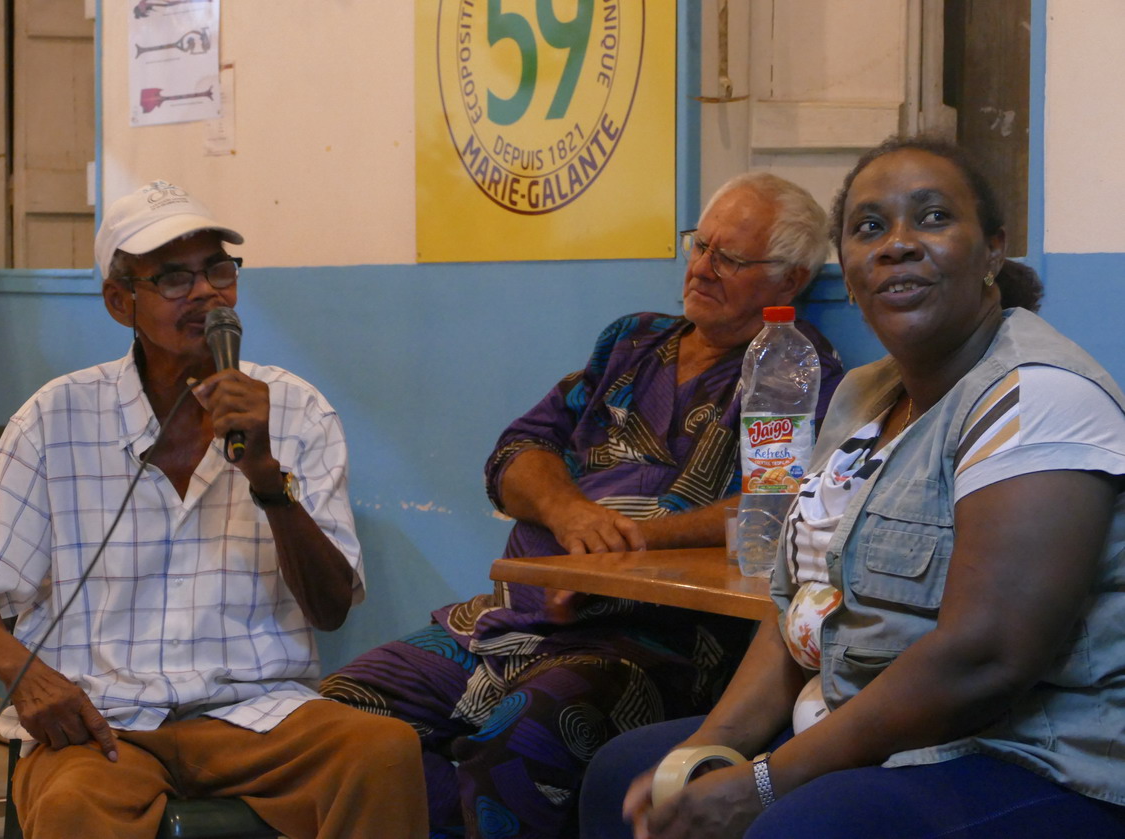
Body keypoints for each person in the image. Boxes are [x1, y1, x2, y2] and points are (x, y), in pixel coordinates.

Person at [580, 136, 1125, 839]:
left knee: (799, 827)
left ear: (992, 252)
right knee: (630, 771)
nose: (896, 243)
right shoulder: (862, 397)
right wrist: (706, 751)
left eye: (931, 218)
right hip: (860, 725)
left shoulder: (1038, 396)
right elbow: (795, 610)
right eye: (869, 227)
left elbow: (985, 654)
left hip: (1027, 755)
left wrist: (764, 782)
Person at [319, 173, 845, 839]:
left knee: (516, 743)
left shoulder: (797, 375)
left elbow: (772, 506)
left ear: (789, 280)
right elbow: (516, 453)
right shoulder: (632, 342)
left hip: (650, 640)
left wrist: (626, 545)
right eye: (699, 245)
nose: (702, 268)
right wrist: (571, 515)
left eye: (730, 259)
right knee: (336, 717)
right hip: (507, 617)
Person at [0, 180, 428, 839]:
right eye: (172, 277)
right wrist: (31, 681)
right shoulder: (57, 416)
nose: (205, 293)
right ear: (119, 301)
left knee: (383, 750)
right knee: (76, 803)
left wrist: (266, 477)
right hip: (106, 724)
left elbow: (329, 609)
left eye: (218, 269)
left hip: (260, 716)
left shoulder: (298, 410)